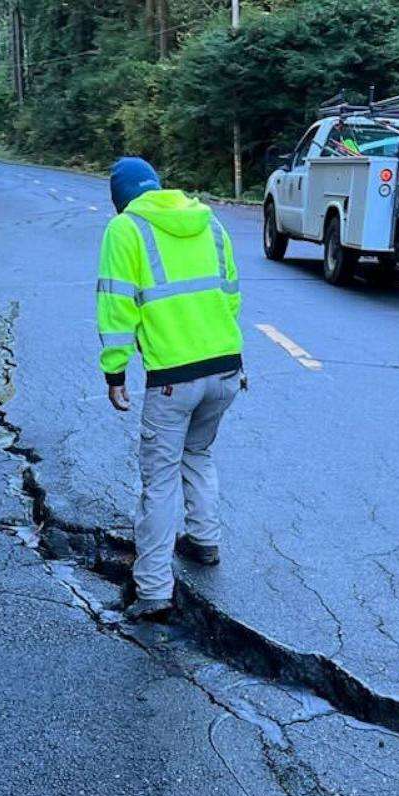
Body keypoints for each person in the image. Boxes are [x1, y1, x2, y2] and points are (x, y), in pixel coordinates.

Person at [95, 157, 246, 617]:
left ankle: (154, 591)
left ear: (121, 199)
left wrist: (115, 373)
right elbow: (231, 296)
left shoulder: (125, 230)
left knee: (158, 482)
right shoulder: (210, 221)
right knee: (198, 454)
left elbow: (116, 307)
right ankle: (204, 540)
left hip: (172, 382)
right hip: (225, 370)